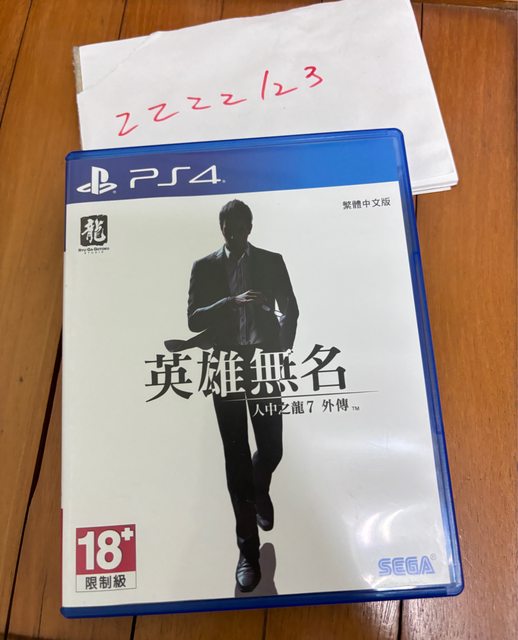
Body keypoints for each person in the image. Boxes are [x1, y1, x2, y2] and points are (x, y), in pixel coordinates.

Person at [187, 199, 298, 591]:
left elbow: (292, 310)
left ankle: (259, 486)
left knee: (272, 448)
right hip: (227, 367)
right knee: (235, 458)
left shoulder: (271, 261)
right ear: (221, 228)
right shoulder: (204, 267)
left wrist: (281, 350)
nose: (234, 233)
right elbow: (193, 319)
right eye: (228, 227)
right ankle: (248, 549)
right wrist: (229, 302)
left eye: (240, 227)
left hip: (264, 363)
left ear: (250, 226)